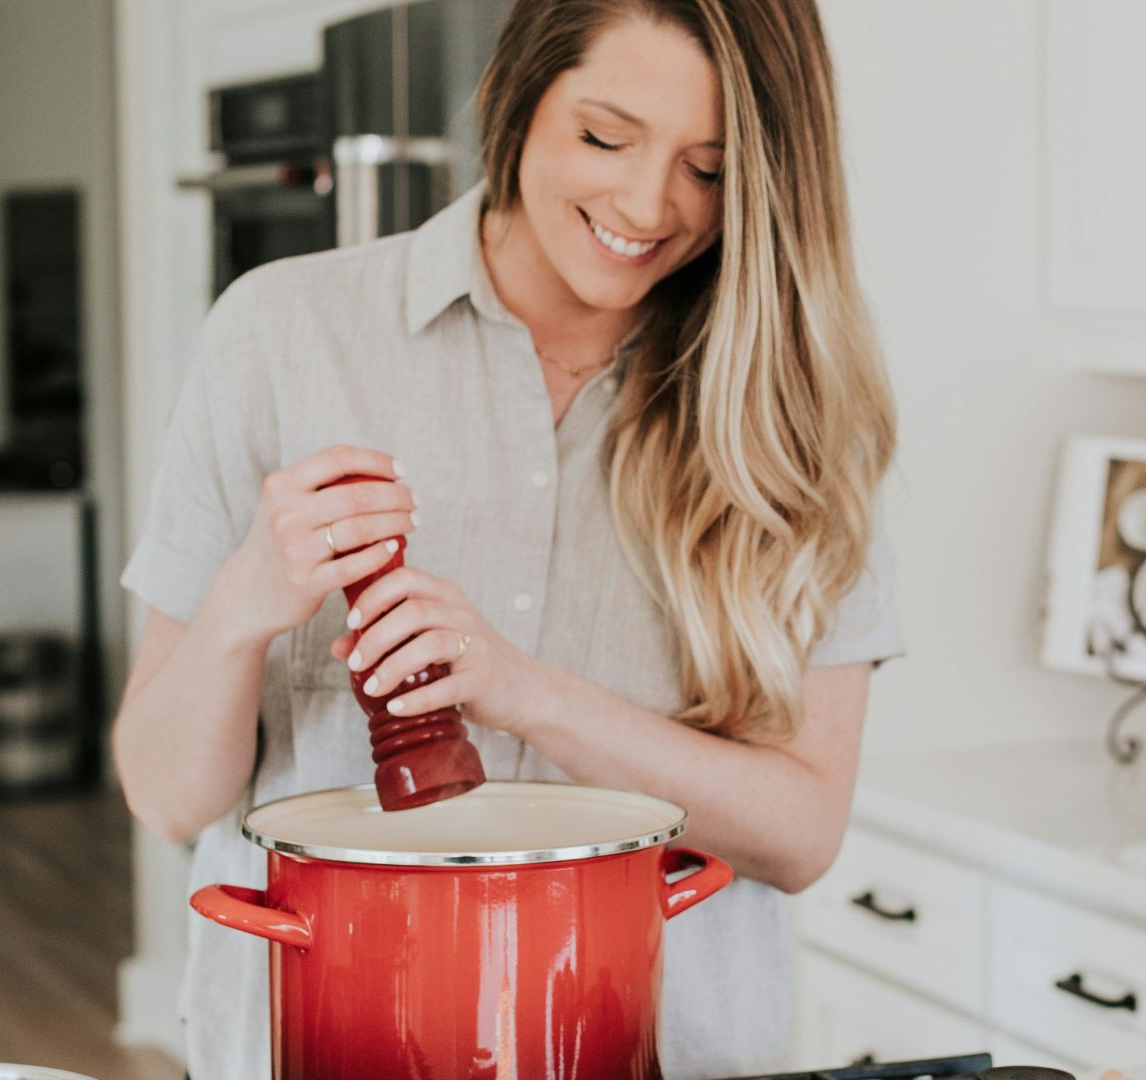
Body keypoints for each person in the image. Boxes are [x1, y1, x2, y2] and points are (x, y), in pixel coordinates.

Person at [113, 0, 902, 1076]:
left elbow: (804, 833)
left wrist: (521, 689)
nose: (645, 202)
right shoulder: (282, 333)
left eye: (709, 169)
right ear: (517, 100)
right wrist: (245, 602)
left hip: (670, 1053)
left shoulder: (797, 413)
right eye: (604, 137)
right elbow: (165, 798)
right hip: (321, 1043)